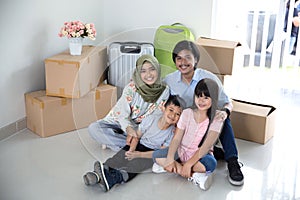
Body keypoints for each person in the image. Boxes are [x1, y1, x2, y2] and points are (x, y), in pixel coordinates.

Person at [162, 40, 244, 186]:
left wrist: (225, 112)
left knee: (222, 118)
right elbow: (156, 92)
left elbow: (228, 102)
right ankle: (214, 154)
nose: (183, 62)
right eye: (178, 58)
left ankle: (232, 162)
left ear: (196, 60)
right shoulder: (169, 80)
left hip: (204, 123)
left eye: (188, 57)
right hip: (184, 127)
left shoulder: (208, 78)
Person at [83, 95, 185, 192]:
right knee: (122, 155)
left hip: (150, 153)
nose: (172, 115)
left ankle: (113, 179)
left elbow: (159, 153)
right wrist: (132, 150)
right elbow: (136, 137)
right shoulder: (151, 119)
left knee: (135, 166)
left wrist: (139, 155)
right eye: (171, 110)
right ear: (163, 108)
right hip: (138, 144)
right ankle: (100, 172)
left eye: (177, 114)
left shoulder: (172, 133)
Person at [152, 78, 224, 191]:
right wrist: (171, 158)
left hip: (199, 156)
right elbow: (176, 139)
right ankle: (194, 175)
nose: (201, 101)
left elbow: (205, 148)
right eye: (198, 96)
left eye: (206, 98)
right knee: (157, 154)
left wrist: (189, 164)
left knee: (211, 163)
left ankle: (172, 168)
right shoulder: (187, 113)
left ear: (213, 99)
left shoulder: (217, 119)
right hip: (181, 152)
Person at [88, 54, 170, 151]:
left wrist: (139, 132)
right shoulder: (131, 88)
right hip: (119, 122)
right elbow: (122, 114)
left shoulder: (164, 90)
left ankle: (118, 144)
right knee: (94, 128)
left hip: (141, 127)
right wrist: (128, 128)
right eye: (143, 71)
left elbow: (156, 116)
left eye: (152, 69)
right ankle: (137, 147)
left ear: (158, 69)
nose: (148, 75)